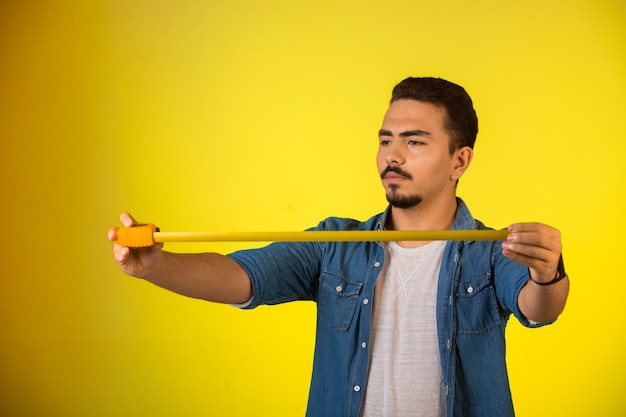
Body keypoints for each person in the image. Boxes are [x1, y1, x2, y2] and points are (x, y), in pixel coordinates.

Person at [108, 77, 569, 417]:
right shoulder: (337, 244)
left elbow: (539, 307)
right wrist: (156, 265)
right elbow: (242, 276)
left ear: (459, 160)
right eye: (386, 140)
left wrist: (548, 273)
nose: (393, 155)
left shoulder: (490, 250)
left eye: (415, 142)